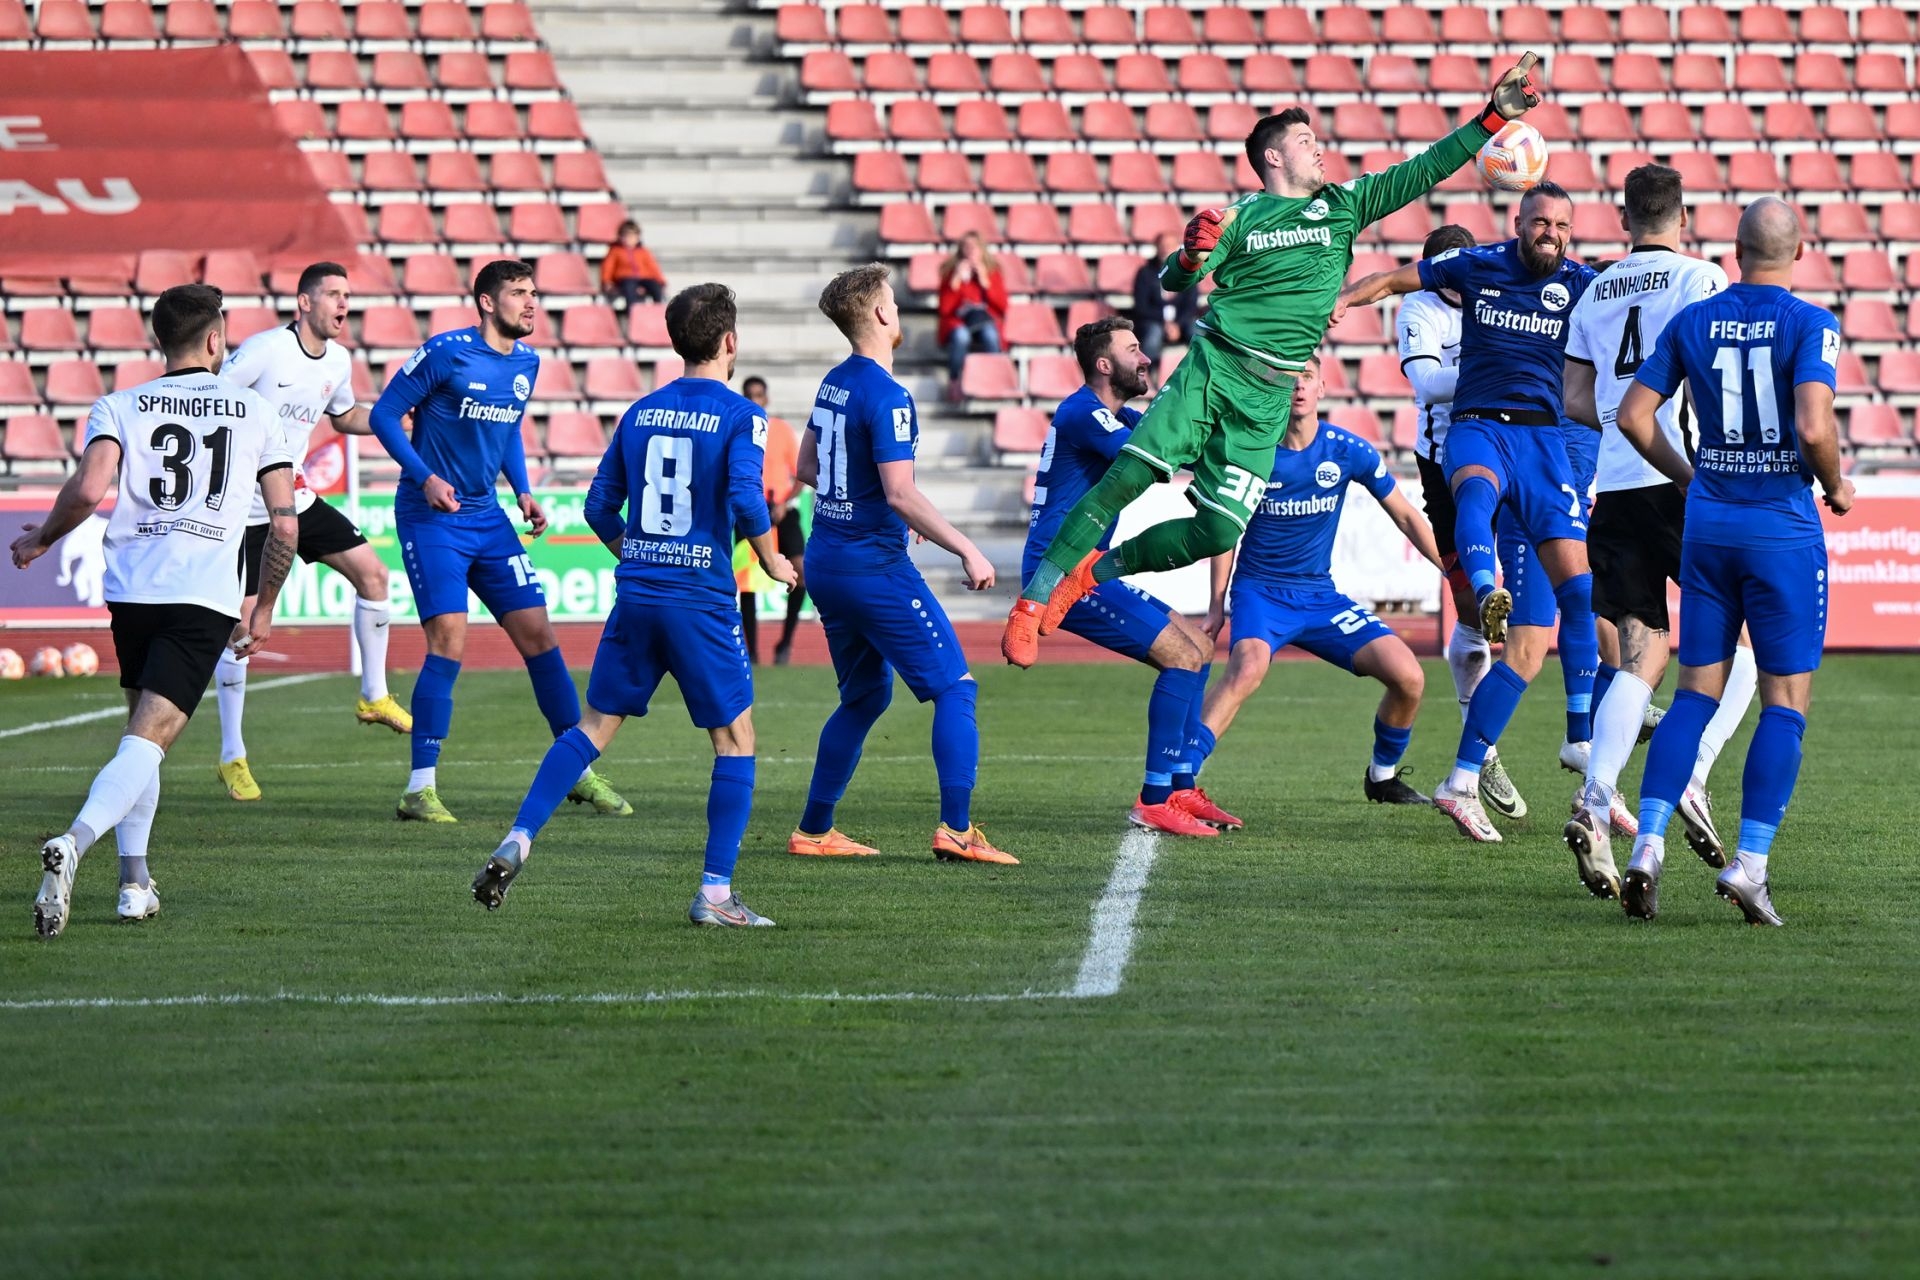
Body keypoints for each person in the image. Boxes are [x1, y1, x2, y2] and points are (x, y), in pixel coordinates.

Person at [1003, 52, 1544, 668]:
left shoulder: (1343, 205)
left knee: (1218, 531)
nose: (1320, 150)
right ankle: (1032, 601)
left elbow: (1423, 170)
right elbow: (1176, 279)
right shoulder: (1239, 217)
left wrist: (1492, 118)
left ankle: (1092, 572)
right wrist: (1190, 254)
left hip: (1267, 400)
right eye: (1306, 142)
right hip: (1214, 369)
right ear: (1273, 157)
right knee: (1126, 479)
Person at [472, 285, 795, 926]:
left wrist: (641, 553)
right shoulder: (743, 415)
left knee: (593, 727)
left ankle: (520, 835)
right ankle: (715, 895)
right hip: (700, 600)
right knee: (735, 740)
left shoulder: (641, 411)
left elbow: (598, 507)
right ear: (730, 342)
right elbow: (745, 496)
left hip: (639, 593)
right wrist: (771, 559)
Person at [11, 284, 298, 937]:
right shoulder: (256, 410)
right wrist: (264, 606)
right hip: (201, 592)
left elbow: (89, 489)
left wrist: (42, 538)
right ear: (216, 339)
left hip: (133, 589)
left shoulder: (119, 404)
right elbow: (284, 523)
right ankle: (75, 842)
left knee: (140, 734)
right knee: (149, 739)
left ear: (159, 340)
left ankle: (134, 884)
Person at [1339, 182, 1601, 851]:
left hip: (1544, 439)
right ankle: (1487, 592)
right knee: (1475, 501)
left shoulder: (1580, 282)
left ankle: (1579, 738)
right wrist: (1342, 300)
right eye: (1539, 222)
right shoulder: (1474, 265)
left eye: (1561, 224)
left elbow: (1630, 312)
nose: (1549, 232)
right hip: (1478, 427)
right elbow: (1393, 278)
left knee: (1579, 594)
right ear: (1518, 222)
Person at [1612, 197, 1852, 925]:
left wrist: (1690, 477)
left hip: (1709, 526)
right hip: (1780, 529)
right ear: (1800, 251)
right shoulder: (1811, 322)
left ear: (1736, 251)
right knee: (1785, 702)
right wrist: (1837, 485)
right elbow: (1813, 425)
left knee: (1694, 695)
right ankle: (1749, 865)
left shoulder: (1696, 319)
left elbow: (1632, 416)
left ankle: (1647, 846)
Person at [368, 259, 630, 823]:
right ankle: (419, 788)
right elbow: (385, 416)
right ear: (487, 302)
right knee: (449, 641)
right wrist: (425, 477)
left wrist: (523, 490)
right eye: (518, 292)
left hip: (488, 517)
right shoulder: (446, 352)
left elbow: (507, 428)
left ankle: (577, 772)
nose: (531, 302)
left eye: (534, 292)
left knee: (540, 636)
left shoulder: (527, 362)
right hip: (432, 517)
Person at [1559, 164, 1755, 894]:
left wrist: (1622, 418)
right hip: (1685, 478)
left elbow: (1574, 398)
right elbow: (1716, 377)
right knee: (1743, 644)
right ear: (1683, 217)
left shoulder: (1595, 290)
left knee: (1640, 656)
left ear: (1624, 219)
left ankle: (1596, 795)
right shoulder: (1701, 278)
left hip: (1615, 486)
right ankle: (1693, 776)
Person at [788, 264, 1014, 864]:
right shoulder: (889, 395)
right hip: (871, 566)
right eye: (893, 299)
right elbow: (900, 493)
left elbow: (808, 467)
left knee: (864, 698)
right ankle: (957, 830)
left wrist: (879, 505)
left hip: (827, 559)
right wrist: (965, 547)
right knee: (956, 688)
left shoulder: (834, 381)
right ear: (882, 313)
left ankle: (814, 830)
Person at [1191, 353, 1443, 806]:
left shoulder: (1348, 451)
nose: (1298, 386)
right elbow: (1224, 532)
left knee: (1409, 677)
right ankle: (1178, 783)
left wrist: (1453, 570)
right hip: (1260, 592)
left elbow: (1406, 516)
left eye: (1306, 377)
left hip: (1319, 596)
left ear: (1323, 388)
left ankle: (1382, 778)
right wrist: (1216, 604)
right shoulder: (1252, 452)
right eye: (1288, 379)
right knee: (1246, 670)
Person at [1026, 316, 1235, 838]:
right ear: (1104, 364)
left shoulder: (1112, 413)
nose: (1145, 358)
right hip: (1060, 571)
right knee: (1182, 657)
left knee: (1199, 647)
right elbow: (1154, 454)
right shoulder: (1083, 412)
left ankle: (1181, 785)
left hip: (1088, 568)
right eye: (1133, 349)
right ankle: (1155, 798)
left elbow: (1176, 436)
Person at [210, 261, 408, 804]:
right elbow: (212, 398)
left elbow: (343, 417)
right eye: (334, 294)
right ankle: (232, 755)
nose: (344, 304)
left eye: (348, 295)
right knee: (243, 631)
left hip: (292, 496)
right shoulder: (265, 350)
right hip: (243, 509)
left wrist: (396, 420)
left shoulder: (339, 360)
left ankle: (373, 695)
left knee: (374, 575)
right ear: (304, 302)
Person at [1396, 223, 1528, 822]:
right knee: (1474, 611)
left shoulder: (1495, 293)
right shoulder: (1419, 309)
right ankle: (1485, 748)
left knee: (1542, 604)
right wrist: (1498, 368)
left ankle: (1585, 726)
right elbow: (1427, 384)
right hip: (1445, 465)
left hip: (1508, 449)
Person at [737, 375, 809, 665]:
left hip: (781, 509)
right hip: (749, 512)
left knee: (801, 572)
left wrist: (784, 502)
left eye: (759, 395)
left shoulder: (780, 429)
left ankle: (785, 643)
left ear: (766, 399)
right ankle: (752, 652)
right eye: (750, 395)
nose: (755, 400)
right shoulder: (737, 429)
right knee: (748, 583)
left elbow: (802, 474)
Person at [937, 231, 1007, 401]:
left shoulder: (992, 272)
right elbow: (945, 309)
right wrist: (955, 281)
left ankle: (992, 381)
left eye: (974, 248)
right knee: (961, 337)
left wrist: (985, 282)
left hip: (983, 320)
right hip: (958, 320)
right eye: (966, 248)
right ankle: (955, 381)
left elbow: (1002, 307)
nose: (970, 252)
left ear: (982, 250)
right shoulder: (951, 272)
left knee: (991, 336)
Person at [1131, 231, 1201, 385]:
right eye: (1162, 245)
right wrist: (1165, 323)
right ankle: (1146, 377)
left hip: (1181, 321)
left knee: (1198, 332)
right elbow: (1141, 306)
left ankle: (1201, 373)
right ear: (1156, 248)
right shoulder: (1145, 273)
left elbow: (1191, 304)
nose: (1165, 249)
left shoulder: (1188, 271)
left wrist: (1177, 324)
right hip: (1154, 321)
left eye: (1170, 246)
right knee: (1153, 335)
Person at [600, 220, 666, 308]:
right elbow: (608, 267)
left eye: (632, 236)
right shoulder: (615, 251)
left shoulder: (644, 251)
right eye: (626, 236)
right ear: (620, 237)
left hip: (644, 278)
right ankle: (632, 311)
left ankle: (658, 310)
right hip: (625, 279)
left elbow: (653, 267)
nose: (629, 239)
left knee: (655, 287)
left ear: (637, 237)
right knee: (629, 287)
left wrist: (661, 281)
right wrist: (607, 282)